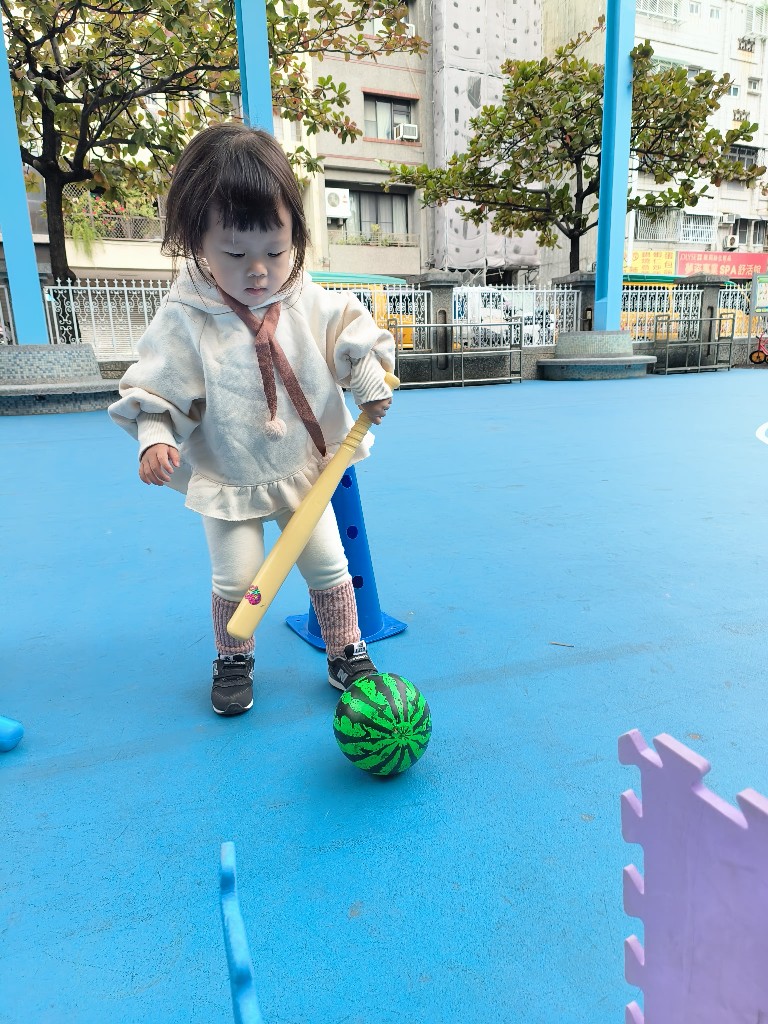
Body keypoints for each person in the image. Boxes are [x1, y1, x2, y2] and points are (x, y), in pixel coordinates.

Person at [109, 123, 394, 717]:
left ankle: (346, 649)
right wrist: (154, 436)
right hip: (231, 472)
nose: (259, 270)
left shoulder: (302, 296)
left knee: (327, 563)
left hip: (304, 468)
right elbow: (158, 382)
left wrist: (367, 378)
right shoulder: (189, 313)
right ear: (198, 241)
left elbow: (346, 333)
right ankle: (233, 655)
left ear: (296, 236)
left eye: (276, 251)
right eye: (236, 254)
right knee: (237, 578)